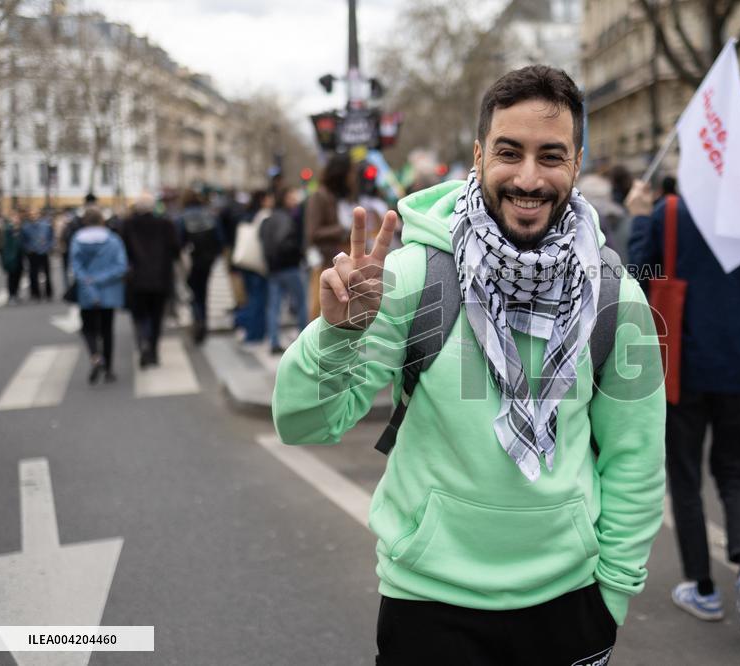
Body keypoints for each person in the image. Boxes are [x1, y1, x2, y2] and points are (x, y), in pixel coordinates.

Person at [273, 65, 664, 663]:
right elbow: (302, 423)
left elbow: (636, 461)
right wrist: (336, 334)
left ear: (577, 164)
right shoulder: (412, 278)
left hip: (570, 607)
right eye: (510, 152)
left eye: (551, 156)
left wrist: (613, 593)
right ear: (478, 156)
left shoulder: (616, 298)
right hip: (428, 608)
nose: (528, 178)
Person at [626, 153, 740, 634]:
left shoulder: (671, 214)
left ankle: (701, 586)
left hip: (682, 369)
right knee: (736, 475)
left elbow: (639, 278)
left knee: (685, 478)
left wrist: (640, 221)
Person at [69, 208, 127, 384]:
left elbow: (75, 267)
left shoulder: (77, 240)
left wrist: (89, 281)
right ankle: (109, 369)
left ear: (85, 221)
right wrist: (100, 279)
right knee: (107, 330)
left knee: (88, 328)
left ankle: (95, 356)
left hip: (86, 292)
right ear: (102, 220)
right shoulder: (113, 240)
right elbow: (121, 266)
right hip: (109, 292)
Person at [122, 193, 179, 368]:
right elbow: (176, 250)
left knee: (139, 316)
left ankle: (143, 343)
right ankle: (153, 349)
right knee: (156, 316)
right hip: (160, 278)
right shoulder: (165, 224)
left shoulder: (127, 225)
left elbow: (122, 252)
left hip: (137, 279)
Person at [303, 154, 352, 319]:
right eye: (350, 173)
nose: (353, 178)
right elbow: (313, 232)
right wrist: (341, 230)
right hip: (325, 263)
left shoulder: (337, 197)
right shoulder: (319, 196)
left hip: (337, 262)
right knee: (317, 312)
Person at [260, 187, 306, 354]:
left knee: (274, 306)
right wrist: (298, 253)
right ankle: (304, 339)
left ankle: (273, 341)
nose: (294, 201)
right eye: (291, 197)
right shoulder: (287, 219)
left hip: (273, 269)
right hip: (289, 267)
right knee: (301, 303)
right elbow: (285, 242)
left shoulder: (269, 219)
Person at [176, 189, 223, 344]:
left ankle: (198, 320)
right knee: (204, 291)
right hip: (207, 260)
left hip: (192, 260)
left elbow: (178, 242)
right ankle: (203, 320)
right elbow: (220, 238)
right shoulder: (210, 215)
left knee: (194, 292)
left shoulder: (182, 217)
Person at [233, 190, 270, 344]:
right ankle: (254, 333)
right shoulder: (263, 215)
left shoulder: (247, 214)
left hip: (246, 263)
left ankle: (249, 329)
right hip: (257, 263)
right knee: (258, 299)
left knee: (251, 297)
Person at [21, 208, 54, 301]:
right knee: (33, 274)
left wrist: (49, 247)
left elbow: (51, 237)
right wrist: (28, 249)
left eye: (35, 214)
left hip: (43, 252)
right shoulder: (25, 227)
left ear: (39, 214)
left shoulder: (46, 224)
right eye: (31, 214)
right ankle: (35, 293)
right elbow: (23, 241)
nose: (33, 216)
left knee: (47, 273)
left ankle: (48, 293)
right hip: (32, 253)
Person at [1, 211, 24, 304]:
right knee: (11, 277)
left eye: (17, 218)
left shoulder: (20, 229)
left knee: (18, 275)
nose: (16, 220)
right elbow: (5, 245)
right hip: (10, 256)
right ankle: (11, 295)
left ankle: (16, 293)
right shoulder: (8, 229)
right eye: (14, 218)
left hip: (19, 256)